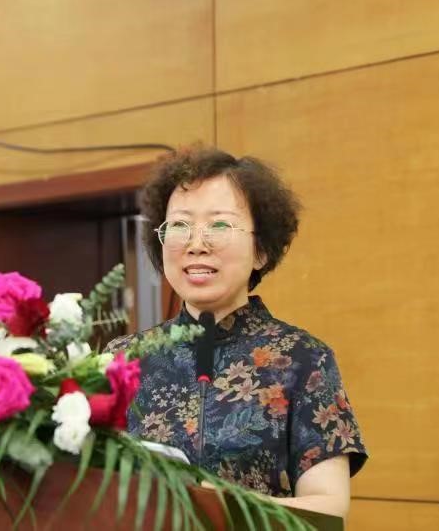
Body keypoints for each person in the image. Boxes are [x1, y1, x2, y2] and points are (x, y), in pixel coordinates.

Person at [104, 146, 367, 518]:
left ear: (261, 250)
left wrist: (216, 502)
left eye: (219, 226)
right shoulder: (122, 358)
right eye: (179, 226)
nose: (196, 244)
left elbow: (328, 507)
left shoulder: (304, 358)